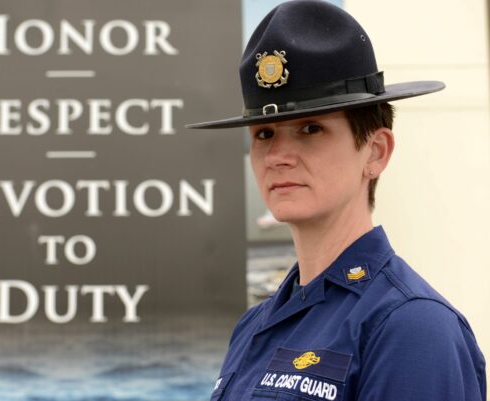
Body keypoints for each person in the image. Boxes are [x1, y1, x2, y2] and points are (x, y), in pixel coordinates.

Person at [187, 1, 486, 400]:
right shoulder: (255, 324)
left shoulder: (410, 326)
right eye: (263, 134)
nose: (277, 156)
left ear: (376, 151)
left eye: (310, 128)